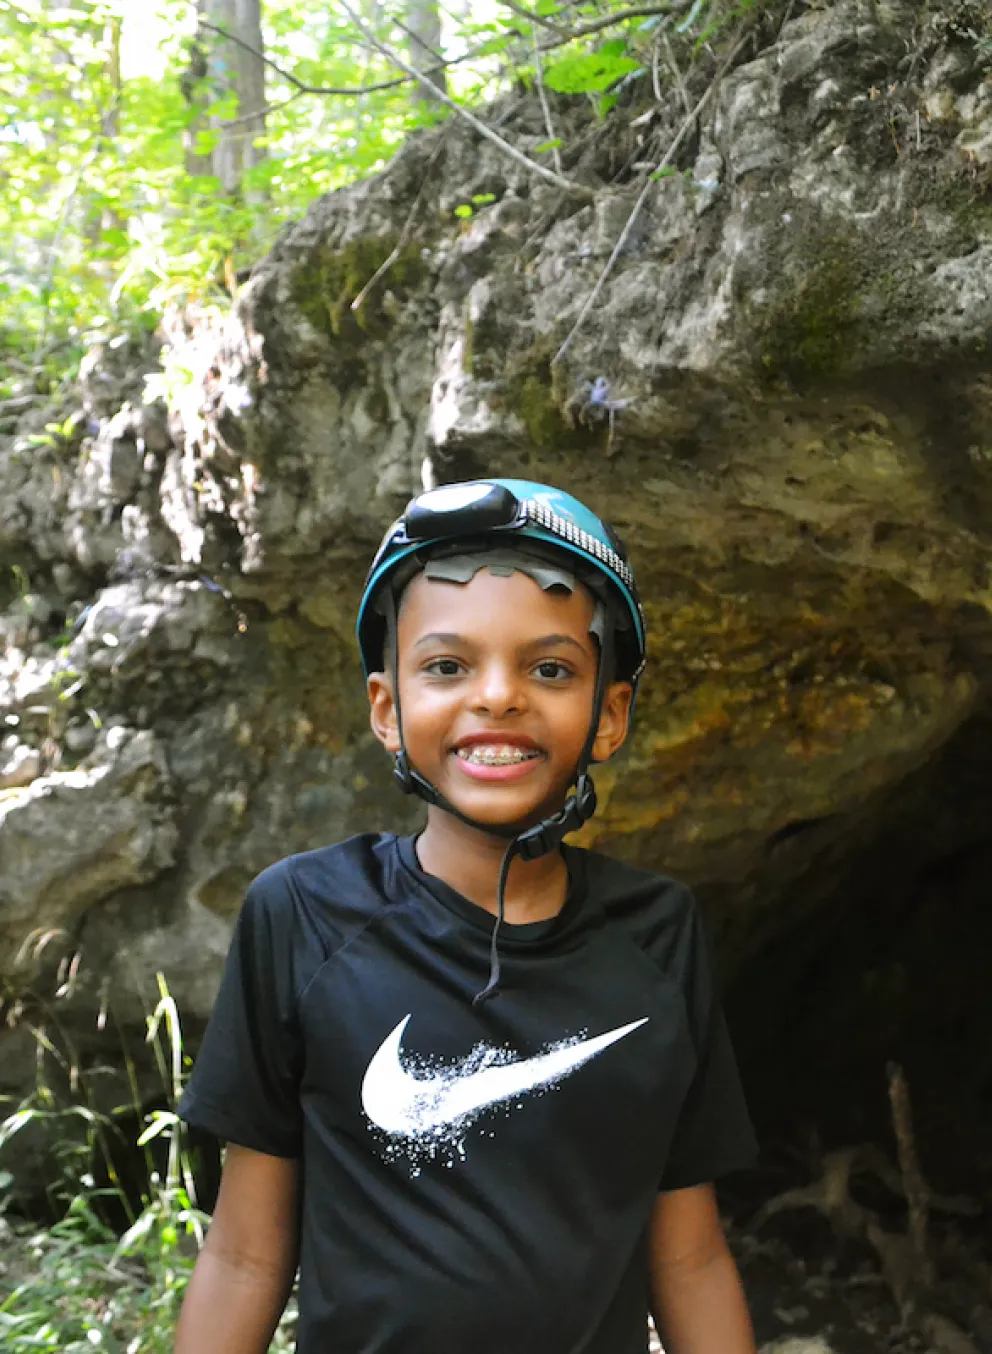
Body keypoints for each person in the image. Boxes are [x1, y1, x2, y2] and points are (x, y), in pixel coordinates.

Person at [174, 477, 758, 1354]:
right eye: (447, 666)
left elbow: (690, 1258)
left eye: (550, 669)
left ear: (610, 715)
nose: (497, 697)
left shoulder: (658, 935)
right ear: (387, 709)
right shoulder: (304, 916)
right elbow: (246, 1256)